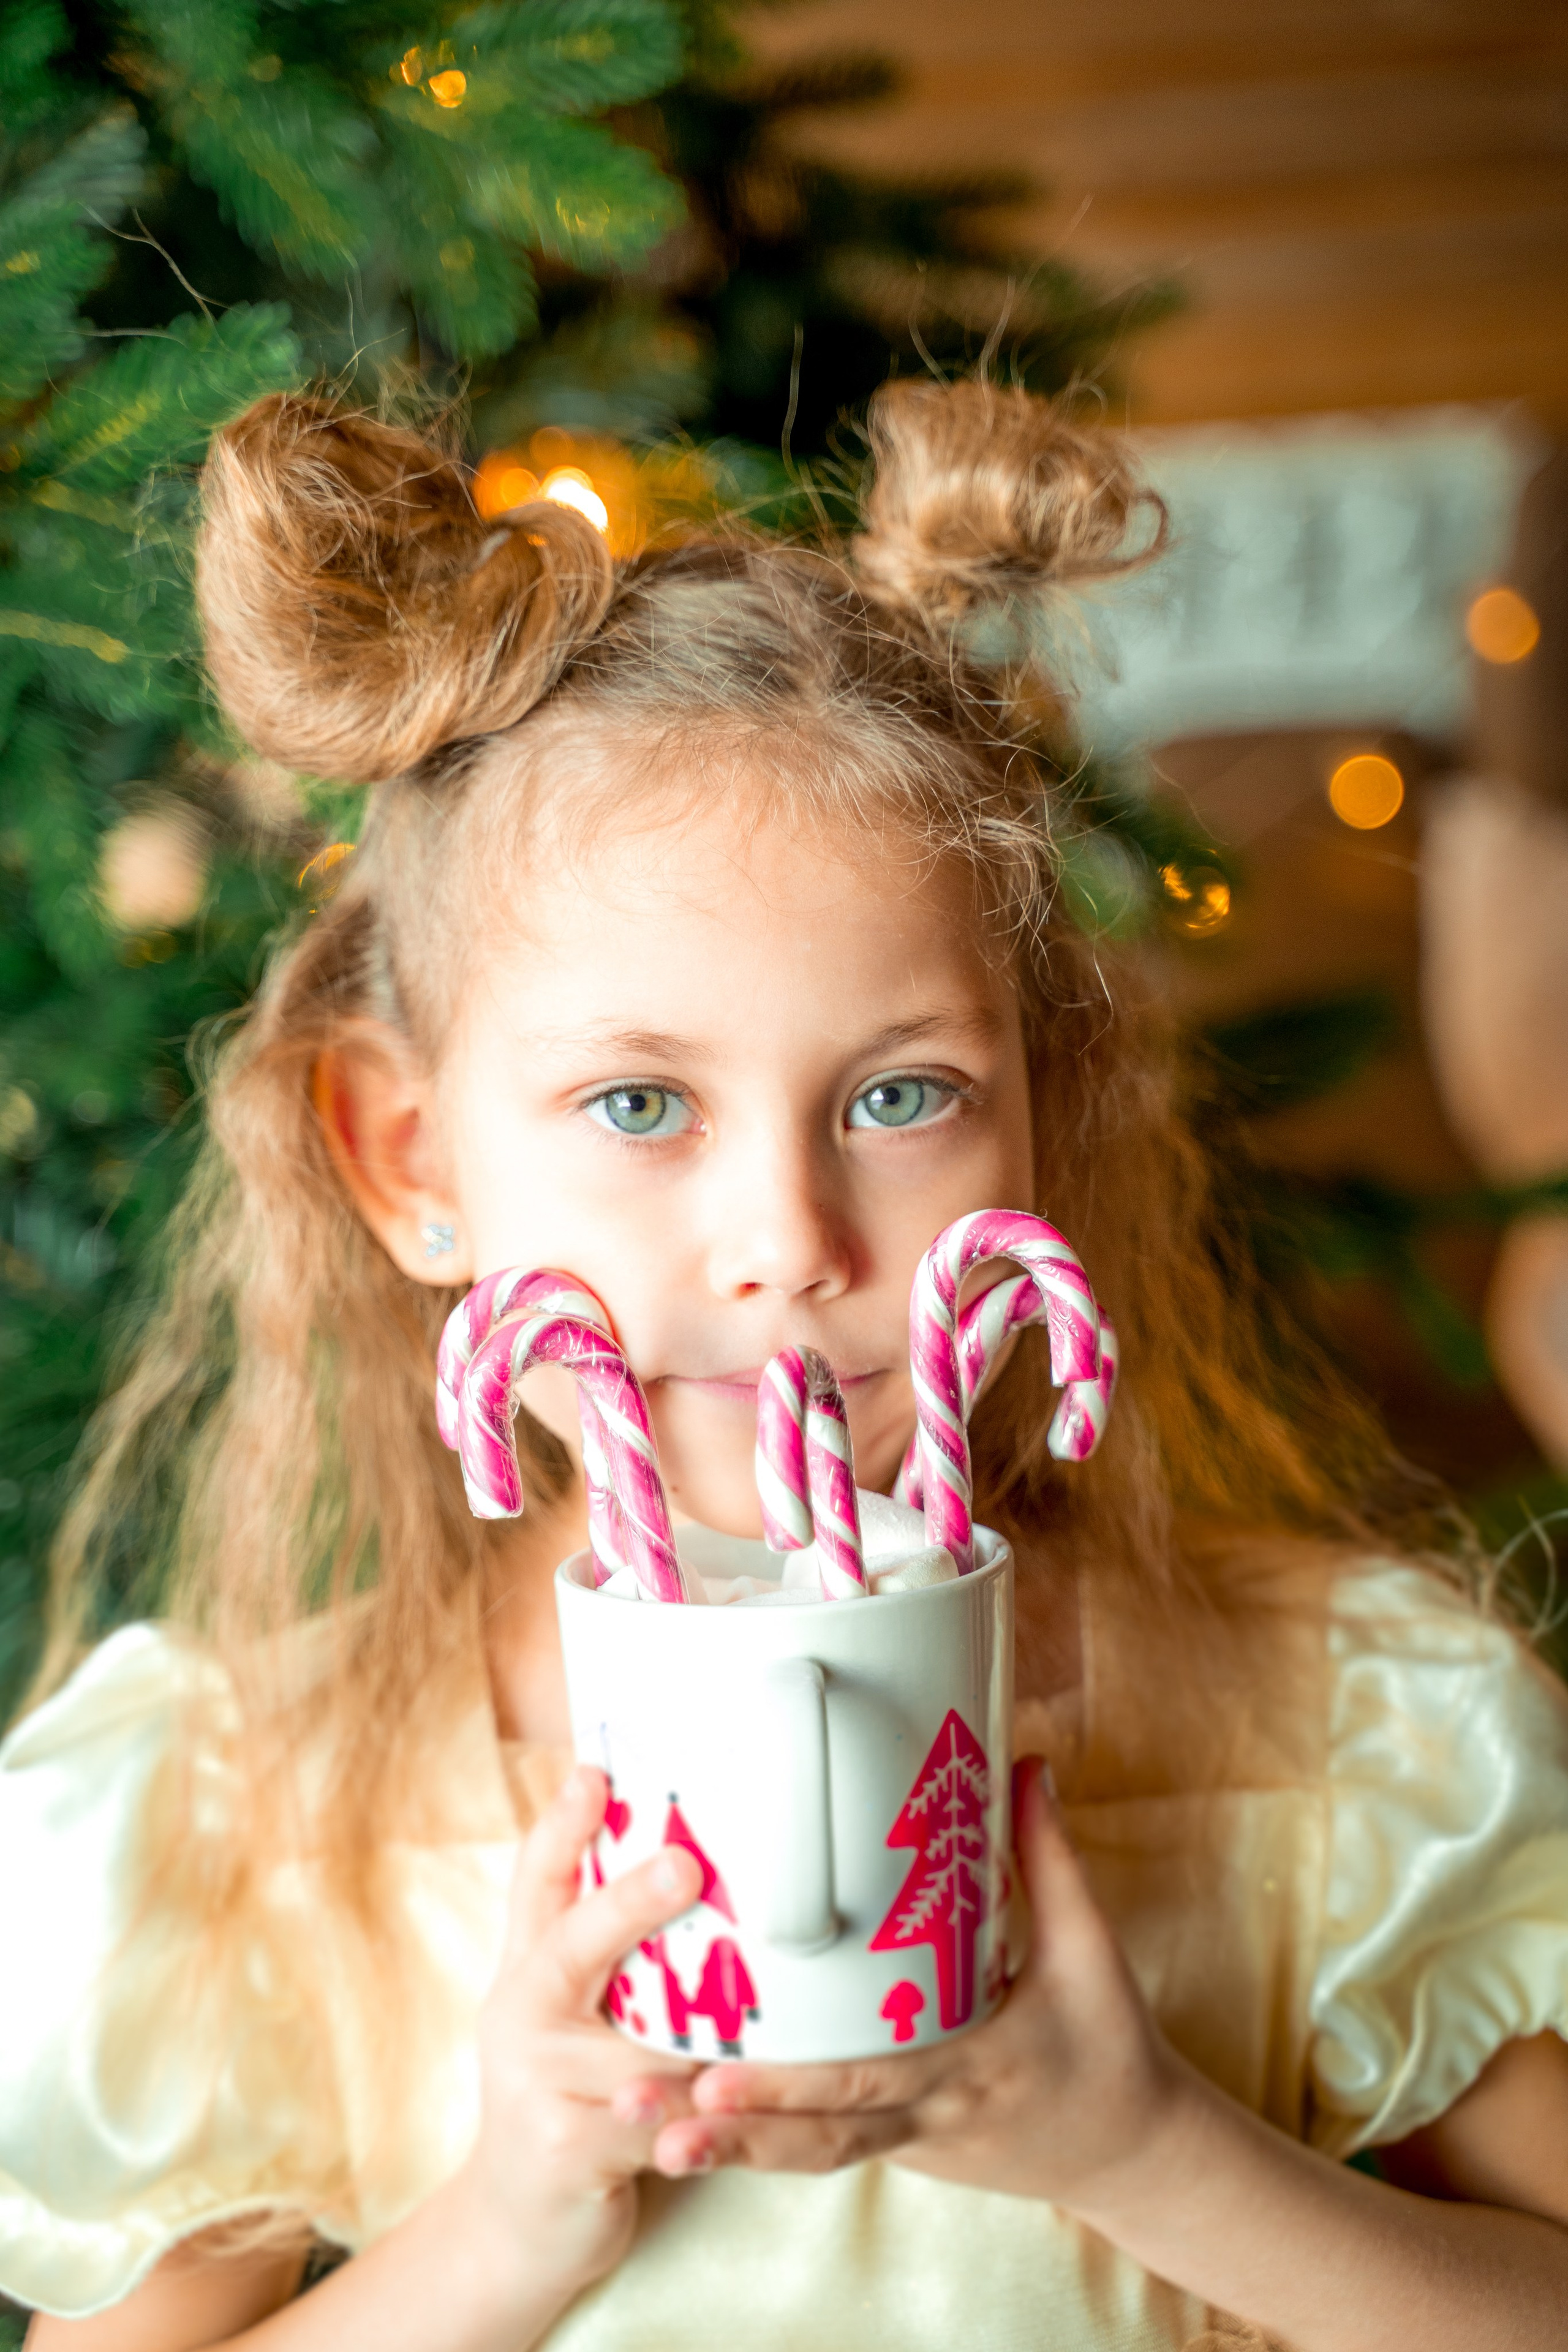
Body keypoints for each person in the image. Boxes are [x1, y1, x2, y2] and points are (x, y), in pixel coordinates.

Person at [3, 380, 1567, 2352]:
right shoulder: (255, 1819)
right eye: (641, 1101)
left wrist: (1153, 2153)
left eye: (903, 1094)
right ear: (412, 1159)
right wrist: (502, 2231)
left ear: (1039, 1127)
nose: (792, 1246)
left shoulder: (1331, 1738)